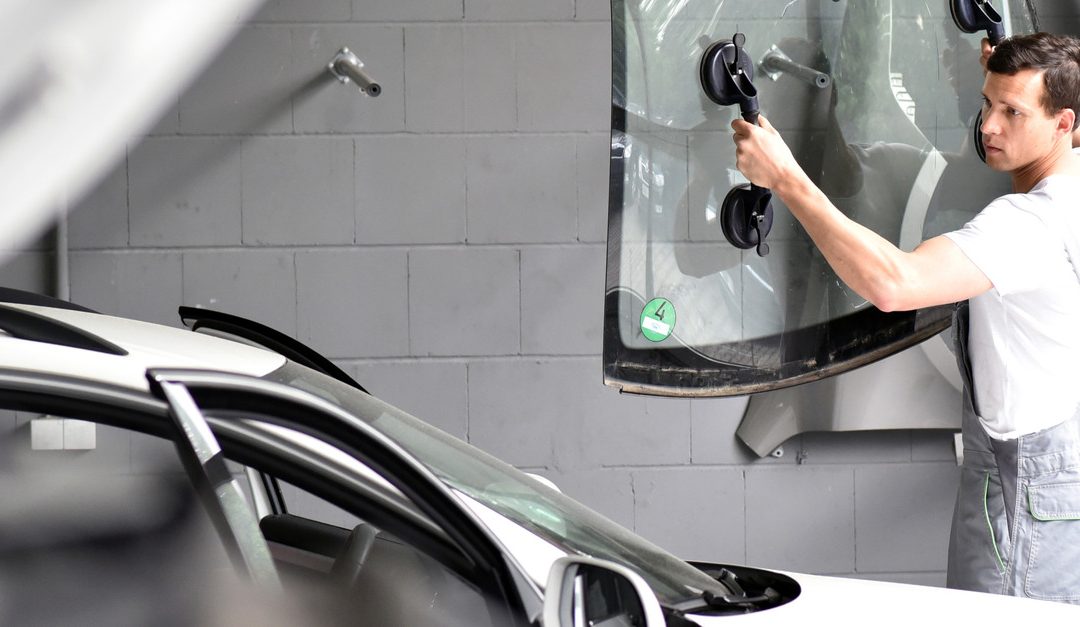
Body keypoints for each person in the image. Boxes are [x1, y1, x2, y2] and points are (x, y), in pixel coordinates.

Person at [731, 32, 1080, 603]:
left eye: (1011, 112)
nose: (988, 126)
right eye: (986, 103)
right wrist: (1004, 79)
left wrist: (787, 178)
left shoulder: (1027, 226)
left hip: (1027, 496)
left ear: (1065, 123)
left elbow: (895, 285)